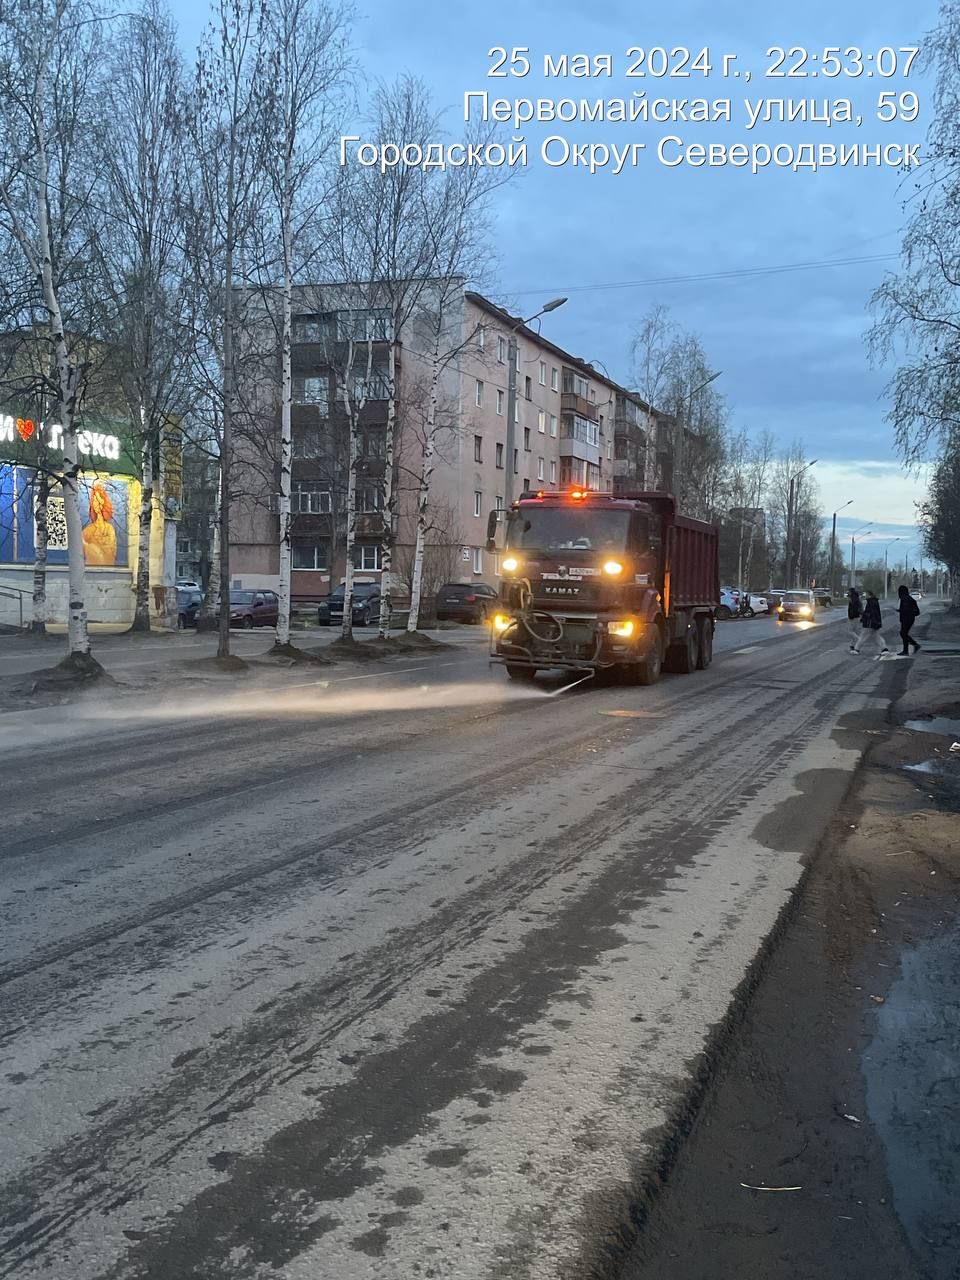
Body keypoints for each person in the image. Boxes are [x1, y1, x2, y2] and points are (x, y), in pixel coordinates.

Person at [851, 590, 889, 657]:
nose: (865, 596)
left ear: (869, 595)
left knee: (863, 636)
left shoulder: (871, 602)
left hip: (870, 623)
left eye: (866, 594)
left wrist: (863, 615)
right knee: (877, 636)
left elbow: (870, 613)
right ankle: (884, 649)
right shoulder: (874, 601)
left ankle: (856, 649)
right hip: (875, 622)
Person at [897, 584, 921, 656]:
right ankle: (914, 645)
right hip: (910, 618)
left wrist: (900, 610)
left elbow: (905, 610)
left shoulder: (904, 599)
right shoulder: (909, 598)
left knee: (903, 633)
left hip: (907, 618)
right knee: (904, 633)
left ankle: (906, 650)